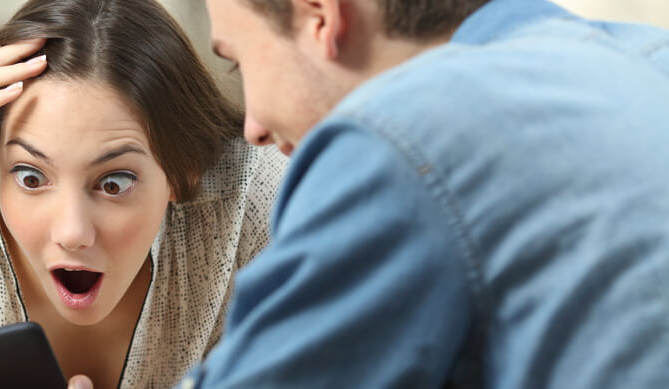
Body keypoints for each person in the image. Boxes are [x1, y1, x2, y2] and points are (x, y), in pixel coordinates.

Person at [140, 0, 669, 387]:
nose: (252, 126)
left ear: (321, 16)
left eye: (238, 62)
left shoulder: (400, 132)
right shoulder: (647, 58)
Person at [0, 0, 287, 388]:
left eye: (114, 183)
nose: (72, 232)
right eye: (30, 176)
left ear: (182, 169)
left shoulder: (258, 198)